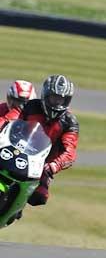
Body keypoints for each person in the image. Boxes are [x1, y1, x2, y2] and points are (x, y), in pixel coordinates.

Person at [20, 74, 79, 206]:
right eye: (54, 98)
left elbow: (70, 152)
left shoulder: (70, 122)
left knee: (39, 197)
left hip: (41, 165)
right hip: (18, 152)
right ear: (46, 95)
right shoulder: (30, 106)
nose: (57, 103)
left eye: (61, 99)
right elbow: (12, 123)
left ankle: (16, 209)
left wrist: (54, 165)